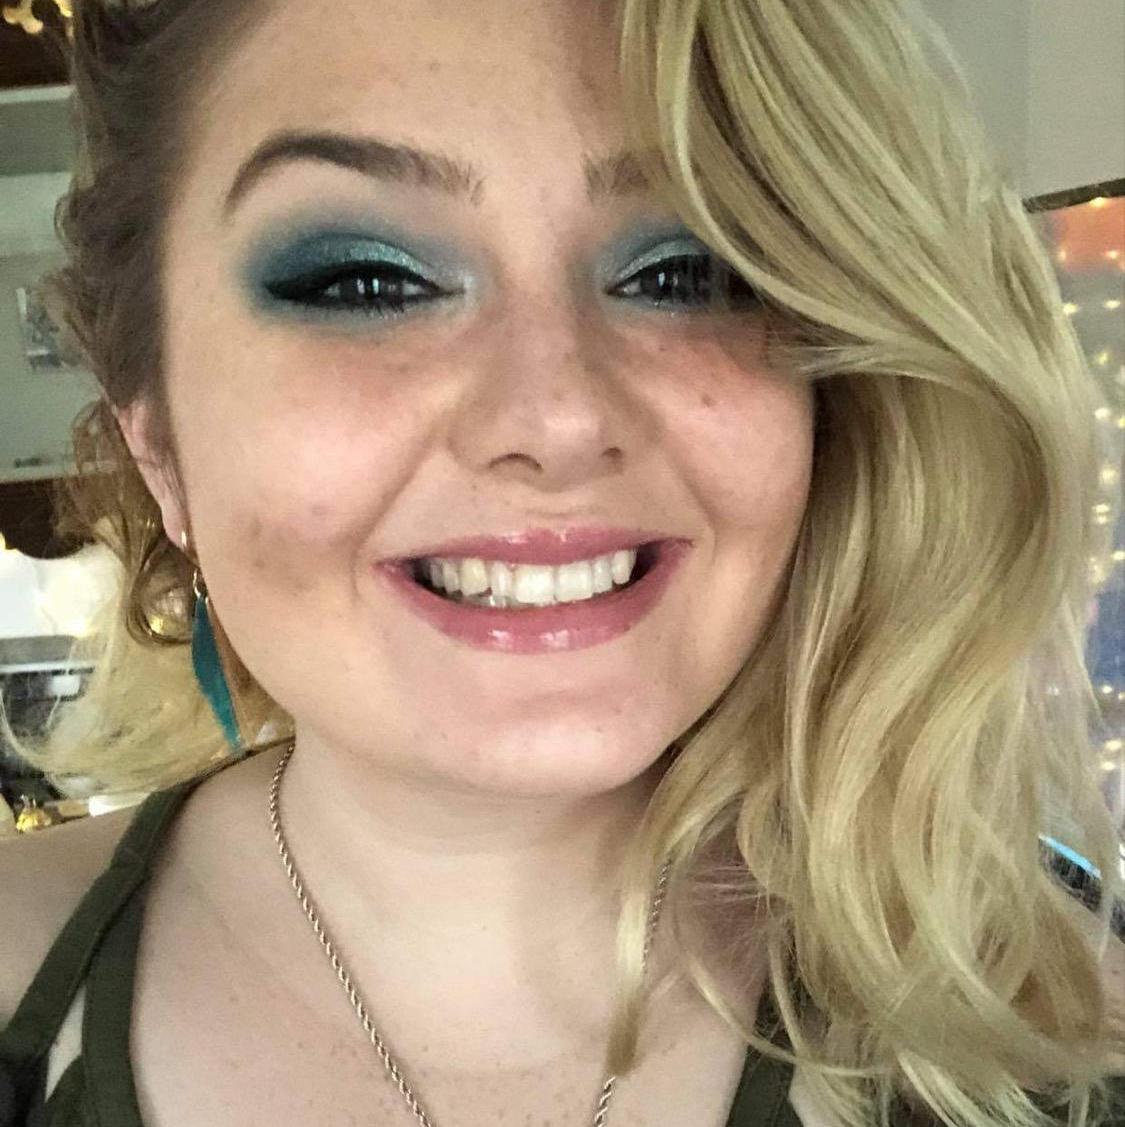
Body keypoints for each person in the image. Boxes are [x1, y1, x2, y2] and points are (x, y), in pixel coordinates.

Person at [0, 0, 1122, 1124]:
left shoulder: (1058, 1039)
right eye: (363, 281)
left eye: (686, 272)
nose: (558, 418)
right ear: (159, 444)